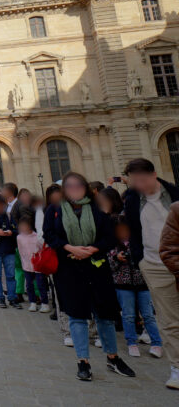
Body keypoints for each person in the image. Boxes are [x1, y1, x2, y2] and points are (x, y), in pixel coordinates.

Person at [45, 171, 133, 381]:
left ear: (85, 187)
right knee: (76, 316)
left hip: (96, 267)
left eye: (78, 185)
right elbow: (49, 235)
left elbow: (110, 237)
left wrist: (92, 249)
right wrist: (69, 248)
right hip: (69, 269)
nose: (74, 189)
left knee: (105, 315)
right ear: (64, 190)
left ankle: (113, 357)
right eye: (70, 186)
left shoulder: (96, 209)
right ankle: (82, 361)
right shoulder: (54, 210)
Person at [120, 157, 179, 389]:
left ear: (154, 175)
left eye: (142, 180)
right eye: (135, 182)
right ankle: (176, 367)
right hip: (154, 265)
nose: (139, 185)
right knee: (169, 320)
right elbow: (133, 231)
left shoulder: (175, 194)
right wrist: (141, 260)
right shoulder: (133, 200)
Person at [109, 217, 164, 359]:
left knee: (148, 315)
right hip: (123, 284)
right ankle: (131, 342)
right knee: (128, 315)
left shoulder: (141, 243)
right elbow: (110, 267)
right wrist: (117, 258)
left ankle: (156, 343)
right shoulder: (112, 245)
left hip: (143, 283)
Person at [16, 216, 50, 312]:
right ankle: (32, 302)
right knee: (29, 285)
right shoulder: (19, 237)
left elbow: (42, 249)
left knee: (40, 284)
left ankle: (45, 303)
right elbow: (20, 250)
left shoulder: (37, 237)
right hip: (26, 265)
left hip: (38, 265)